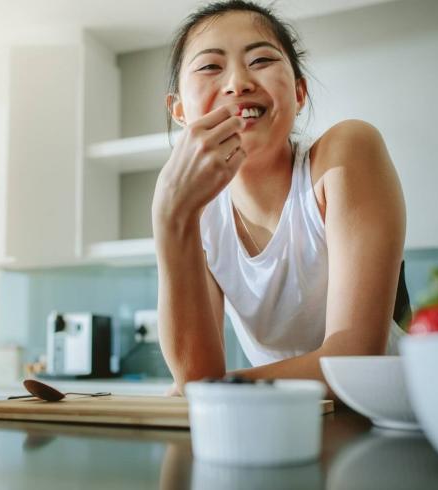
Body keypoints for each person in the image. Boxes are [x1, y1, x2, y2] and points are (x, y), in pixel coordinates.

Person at [151, 0, 410, 397]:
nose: (238, 82)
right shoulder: (198, 213)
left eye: (260, 60)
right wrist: (170, 216)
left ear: (299, 91)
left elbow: (355, 358)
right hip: (282, 423)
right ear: (180, 111)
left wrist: (214, 389)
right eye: (210, 66)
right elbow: (195, 371)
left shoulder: (345, 154)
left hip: (389, 419)